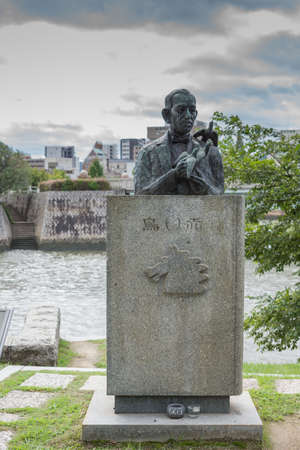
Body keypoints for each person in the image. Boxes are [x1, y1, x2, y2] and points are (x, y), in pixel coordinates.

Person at [134, 88, 224, 195]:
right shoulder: (147, 152)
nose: (188, 116)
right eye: (181, 110)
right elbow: (140, 194)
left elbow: (219, 194)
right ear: (166, 115)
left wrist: (197, 176)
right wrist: (174, 175)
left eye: (192, 110)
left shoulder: (211, 152)